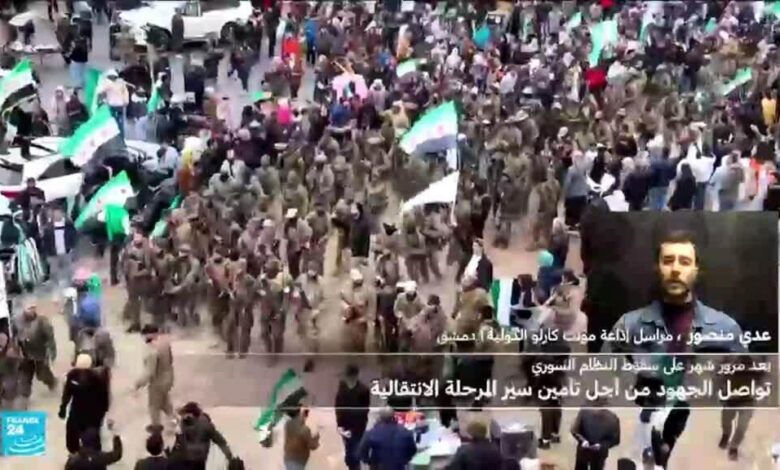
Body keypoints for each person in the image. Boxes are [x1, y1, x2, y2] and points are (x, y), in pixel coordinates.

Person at [603, 230, 744, 354]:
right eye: (668, 261)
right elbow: (602, 373)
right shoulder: (628, 327)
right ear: (657, 268)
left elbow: (746, 375)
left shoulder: (725, 329)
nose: (675, 269)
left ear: (696, 270)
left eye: (685, 262)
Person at [59, 354, 110, 455]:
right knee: (73, 435)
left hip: (92, 414)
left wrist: (103, 412)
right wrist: (63, 408)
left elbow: (104, 396)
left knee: (91, 437)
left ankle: (93, 455)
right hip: (78, 412)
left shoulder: (97, 379)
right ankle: (76, 453)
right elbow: (67, 393)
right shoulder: (72, 376)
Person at [13, 299, 57, 409]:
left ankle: (52, 382)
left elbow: (50, 339)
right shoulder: (17, 321)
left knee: (42, 374)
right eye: (29, 308)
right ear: (24, 309)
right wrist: (16, 350)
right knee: (25, 377)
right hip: (25, 354)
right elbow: (14, 336)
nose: (32, 310)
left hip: (40, 353)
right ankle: (23, 400)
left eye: (34, 307)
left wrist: (52, 353)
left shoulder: (42, 322)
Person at [134, 325, 175, 433]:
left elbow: (150, 372)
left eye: (145, 335)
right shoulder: (165, 343)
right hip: (168, 378)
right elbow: (171, 360)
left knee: (154, 407)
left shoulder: (151, 349)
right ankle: (175, 423)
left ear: (150, 334)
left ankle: (156, 429)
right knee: (166, 404)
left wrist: (138, 384)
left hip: (157, 382)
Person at [168, 402, 233, 470]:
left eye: (186, 414)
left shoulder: (204, 425)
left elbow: (220, 440)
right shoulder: (184, 423)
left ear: (193, 414)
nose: (184, 416)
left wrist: (229, 455)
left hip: (196, 460)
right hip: (188, 460)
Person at [335, 364, 370, 470]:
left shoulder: (363, 390)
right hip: (345, 426)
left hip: (357, 428)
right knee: (349, 453)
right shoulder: (342, 388)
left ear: (356, 376)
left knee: (355, 454)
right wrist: (339, 425)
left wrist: (356, 428)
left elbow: (364, 411)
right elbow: (338, 407)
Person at [570, 402, 621, 470]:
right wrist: (583, 440)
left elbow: (615, 440)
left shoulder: (613, 418)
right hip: (587, 453)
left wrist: (600, 445)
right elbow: (575, 430)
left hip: (596, 455)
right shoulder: (584, 412)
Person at [41, 206, 77, 290]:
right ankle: (57, 290)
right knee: (54, 273)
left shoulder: (68, 225)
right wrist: (47, 254)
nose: (57, 215)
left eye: (59, 213)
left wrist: (71, 246)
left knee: (68, 271)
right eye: (55, 213)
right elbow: (45, 242)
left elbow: (74, 236)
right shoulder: (48, 227)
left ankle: (68, 288)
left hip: (66, 252)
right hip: (53, 253)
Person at [283, 402, 320, 470]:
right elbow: (313, 446)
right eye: (305, 413)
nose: (306, 416)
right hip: (298, 461)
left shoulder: (288, 424)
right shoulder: (304, 429)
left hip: (288, 458)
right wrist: (317, 437)